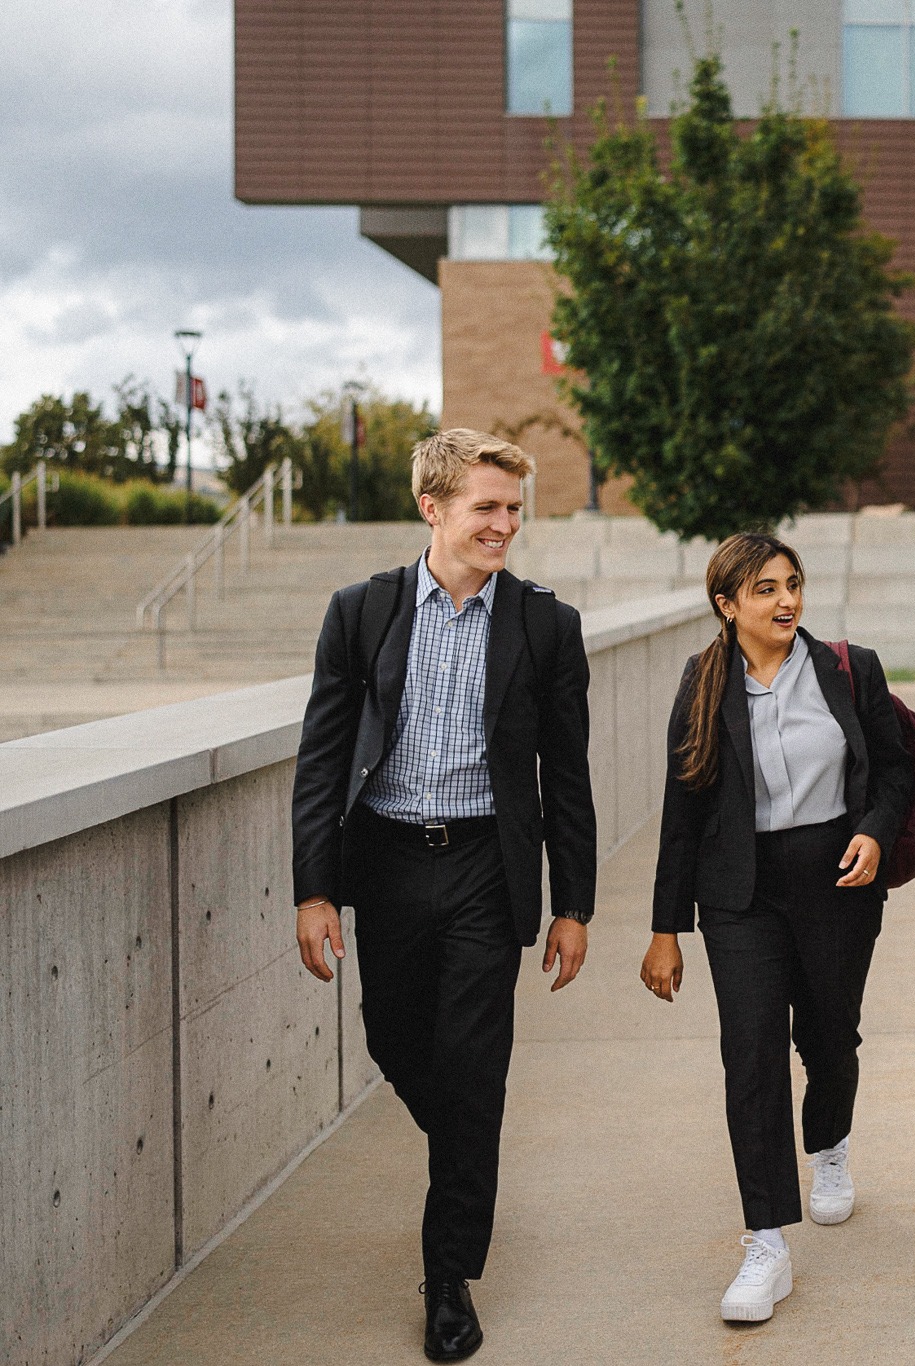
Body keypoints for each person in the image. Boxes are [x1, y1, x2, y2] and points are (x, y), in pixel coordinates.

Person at [290, 429, 596, 1362]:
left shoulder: (546, 624)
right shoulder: (361, 612)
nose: (505, 524)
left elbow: (567, 777)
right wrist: (314, 891)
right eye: (486, 508)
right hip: (383, 859)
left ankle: (449, 1277)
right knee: (394, 1038)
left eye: (514, 508)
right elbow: (322, 760)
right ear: (434, 507)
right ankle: (468, 1146)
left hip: (481, 866)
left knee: (472, 1063)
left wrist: (572, 904)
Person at [642, 532, 912, 1324]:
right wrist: (667, 927)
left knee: (830, 1036)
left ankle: (828, 1144)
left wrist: (874, 829)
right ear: (727, 606)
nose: (786, 600)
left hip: (836, 873)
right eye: (764, 589)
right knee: (751, 1054)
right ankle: (766, 1242)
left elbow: (894, 769)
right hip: (740, 892)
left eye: (791, 583)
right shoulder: (703, 681)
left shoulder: (848, 668)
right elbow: (681, 807)